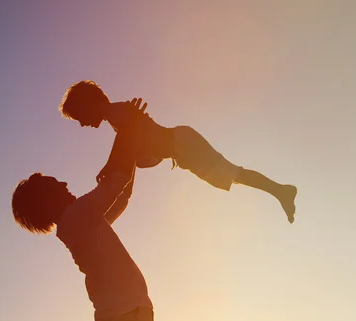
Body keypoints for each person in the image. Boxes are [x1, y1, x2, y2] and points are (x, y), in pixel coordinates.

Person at [59, 80, 298, 223]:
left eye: (80, 116)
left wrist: (111, 165)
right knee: (235, 175)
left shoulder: (120, 112)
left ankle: (281, 191)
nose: (82, 123)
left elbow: (127, 134)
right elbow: (132, 147)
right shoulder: (118, 117)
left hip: (182, 143)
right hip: (182, 147)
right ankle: (280, 191)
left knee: (235, 174)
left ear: (88, 104)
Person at [11, 116, 158, 321]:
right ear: (46, 202)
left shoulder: (80, 224)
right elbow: (116, 182)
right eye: (56, 185)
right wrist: (128, 130)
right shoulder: (75, 218)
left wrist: (132, 148)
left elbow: (121, 197)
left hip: (126, 320)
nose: (65, 184)